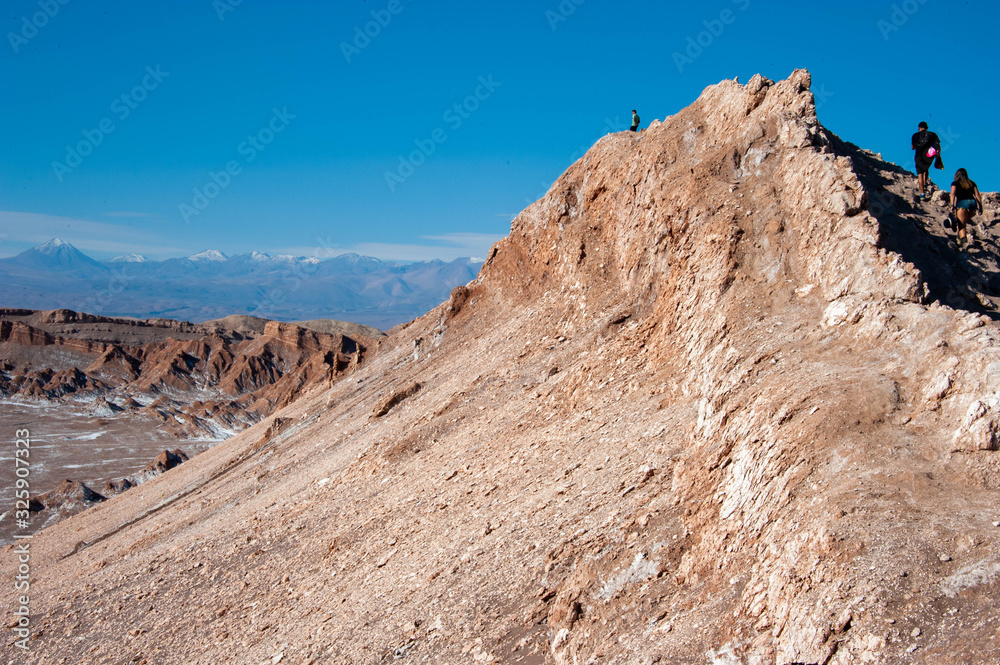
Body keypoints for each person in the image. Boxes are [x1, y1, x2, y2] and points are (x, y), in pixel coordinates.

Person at [949, 168, 983, 249]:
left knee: (961, 225)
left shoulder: (955, 183)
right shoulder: (972, 183)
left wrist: (951, 205)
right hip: (973, 204)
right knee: (962, 222)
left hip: (962, 203)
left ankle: (964, 242)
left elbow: (952, 194)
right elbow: (977, 194)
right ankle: (959, 236)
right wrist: (980, 206)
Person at [911, 121, 941, 201]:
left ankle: (922, 194)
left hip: (918, 156)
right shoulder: (932, 135)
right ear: (927, 128)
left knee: (920, 174)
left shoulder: (915, 135)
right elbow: (937, 146)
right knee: (926, 170)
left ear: (919, 128)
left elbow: (912, 147)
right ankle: (924, 184)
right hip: (928, 156)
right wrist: (938, 156)